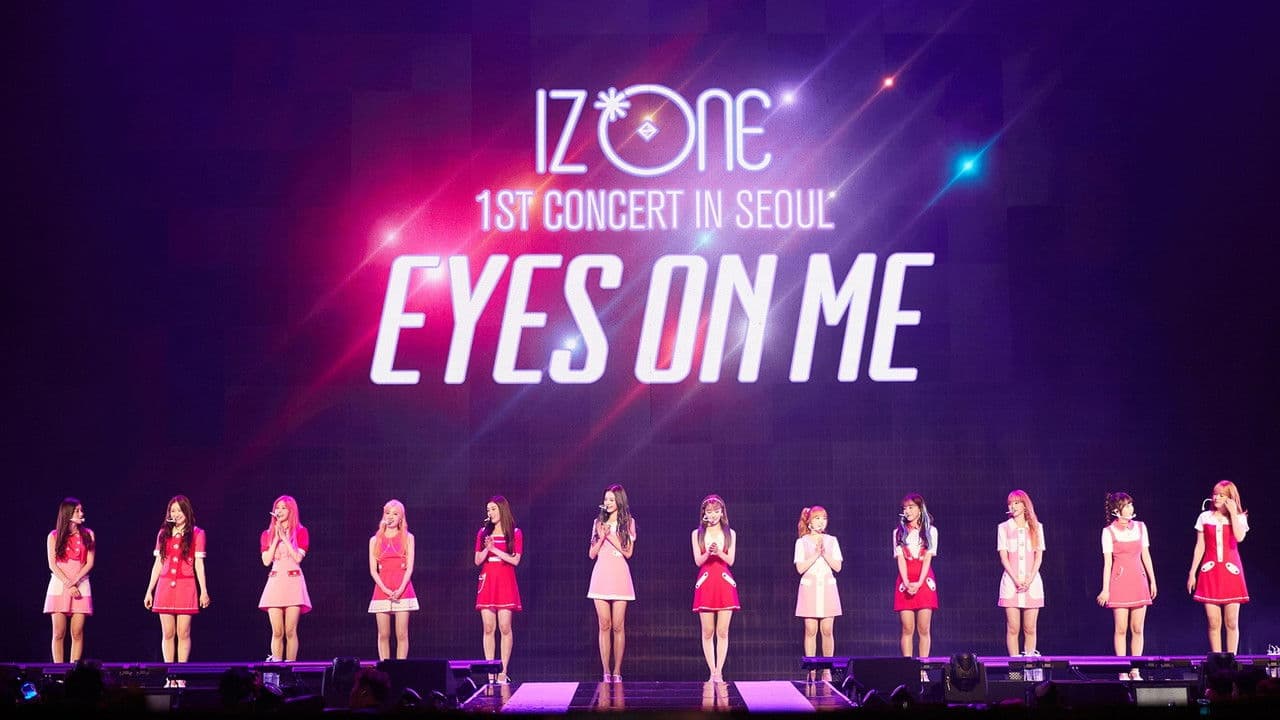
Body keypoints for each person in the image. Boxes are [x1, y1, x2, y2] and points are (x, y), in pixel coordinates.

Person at [143, 495, 211, 664]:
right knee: (168, 632)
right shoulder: (163, 534)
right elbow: (158, 563)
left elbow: (199, 564)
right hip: (165, 585)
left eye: (179, 510)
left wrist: (203, 591)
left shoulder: (197, 533)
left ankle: (181, 673)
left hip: (186, 586)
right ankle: (169, 672)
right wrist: (149, 590)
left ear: (186, 511)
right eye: (173, 511)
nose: (176, 514)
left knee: (183, 632)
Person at [1095, 492, 1156, 678]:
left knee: (1137, 628)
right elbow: (1107, 563)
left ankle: (1135, 670)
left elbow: (1146, 555)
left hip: (1139, 580)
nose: (1131, 508)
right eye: (1126, 505)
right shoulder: (1108, 532)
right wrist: (1105, 589)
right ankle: (1122, 669)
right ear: (1116, 510)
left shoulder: (1140, 527)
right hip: (1119, 582)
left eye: (1131, 504)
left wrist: (1152, 580)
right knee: (1121, 629)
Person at [1188, 480, 1249, 653]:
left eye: (1221, 495)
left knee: (1231, 622)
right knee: (1213, 622)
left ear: (1230, 497)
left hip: (1232, 571)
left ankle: (1231, 661)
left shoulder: (1239, 518)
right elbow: (1200, 546)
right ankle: (1216, 661)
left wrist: (1233, 513)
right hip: (1210, 571)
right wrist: (1192, 572)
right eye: (1215, 494)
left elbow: (1239, 537)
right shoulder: (1205, 517)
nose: (1216, 497)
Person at [588, 484, 635, 683]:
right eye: (605, 499)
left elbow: (628, 552)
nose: (607, 503)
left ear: (619, 502)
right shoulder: (598, 522)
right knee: (604, 624)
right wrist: (601, 536)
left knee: (618, 625)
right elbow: (592, 554)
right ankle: (606, 671)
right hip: (601, 575)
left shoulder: (628, 522)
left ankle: (617, 671)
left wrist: (610, 535)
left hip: (620, 576)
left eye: (611, 499)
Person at [475, 496, 522, 684]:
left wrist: (494, 549)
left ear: (502, 510)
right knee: (488, 627)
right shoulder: (483, 533)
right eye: (488, 510)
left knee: (504, 626)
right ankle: (490, 673)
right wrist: (488, 549)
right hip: (488, 580)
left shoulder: (515, 532)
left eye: (493, 509)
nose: (490, 513)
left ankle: (503, 671)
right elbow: (477, 560)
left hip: (505, 581)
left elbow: (515, 560)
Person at [692, 494, 739, 683]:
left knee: (723, 631)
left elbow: (731, 560)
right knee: (707, 631)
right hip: (706, 581)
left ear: (722, 512)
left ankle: (719, 671)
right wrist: (708, 553)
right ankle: (712, 671)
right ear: (704, 513)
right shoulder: (697, 534)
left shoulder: (730, 533)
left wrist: (718, 552)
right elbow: (698, 561)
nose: (713, 515)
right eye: (709, 511)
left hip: (724, 582)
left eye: (716, 511)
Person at [258, 495, 311, 661]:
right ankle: (276, 667)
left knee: (290, 630)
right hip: (275, 582)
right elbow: (266, 561)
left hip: (293, 582)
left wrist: (285, 538)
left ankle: (290, 668)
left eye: (283, 508)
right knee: (277, 631)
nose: (279, 511)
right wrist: (276, 538)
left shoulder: (301, 532)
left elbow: (297, 558)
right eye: (277, 508)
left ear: (291, 511)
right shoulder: (267, 534)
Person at [794, 505, 842, 682]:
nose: (821, 522)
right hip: (810, 588)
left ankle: (827, 670)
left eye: (824, 518)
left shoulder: (832, 540)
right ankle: (812, 670)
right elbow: (800, 568)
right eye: (817, 518)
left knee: (827, 630)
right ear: (809, 522)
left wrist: (824, 554)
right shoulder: (802, 542)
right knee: (811, 629)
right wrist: (815, 554)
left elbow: (837, 566)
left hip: (827, 588)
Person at [45, 497, 95, 663]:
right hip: (60, 583)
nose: (81, 513)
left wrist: (75, 582)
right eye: (77, 511)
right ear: (68, 514)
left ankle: (74, 670)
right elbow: (52, 564)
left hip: (81, 583)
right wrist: (68, 583)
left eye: (81, 510)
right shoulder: (54, 536)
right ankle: (58, 671)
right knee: (58, 632)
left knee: (77, 632)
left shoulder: (88, 535)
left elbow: (89, 563)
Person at [368, 499, 417, 660]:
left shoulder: (408, 538)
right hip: (382, 589)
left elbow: (409, 568)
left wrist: (400, 589)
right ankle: (384, 667)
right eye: (388, 513)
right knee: (383, 634)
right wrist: (385, 589)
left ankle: (400, 668)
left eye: (395, 514)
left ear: (401, 517)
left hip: (403, 589)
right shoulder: (375, 540)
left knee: (402, 634)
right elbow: (373, 570)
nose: (390, 516)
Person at [998, 489, 1045, 656]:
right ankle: (1014, 667)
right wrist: (1016, 580)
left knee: (1030, 628)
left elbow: (1038, 557)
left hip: (1032, 583)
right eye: (1010, 503)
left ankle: (1029, 666)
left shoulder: (1037, 527)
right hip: (1011, 583)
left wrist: (1029, 579)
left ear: (1025, 505)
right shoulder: (1003, 528)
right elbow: (1004, 558)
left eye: (1017, 503)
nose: (1013, 506)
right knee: (1013, 628)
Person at [894, 494, 938, 658]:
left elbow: (927, 559)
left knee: (924, 628)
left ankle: (923, 667)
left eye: (911, 507)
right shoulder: (898, 532)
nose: (907, 511)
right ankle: (908, 666)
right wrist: (906, 582)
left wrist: (919, 583)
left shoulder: (931, 531)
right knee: (907, 628)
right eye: (905, 508)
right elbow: (900, 559)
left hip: (924, 581)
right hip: (905, 581)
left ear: (920, 509)